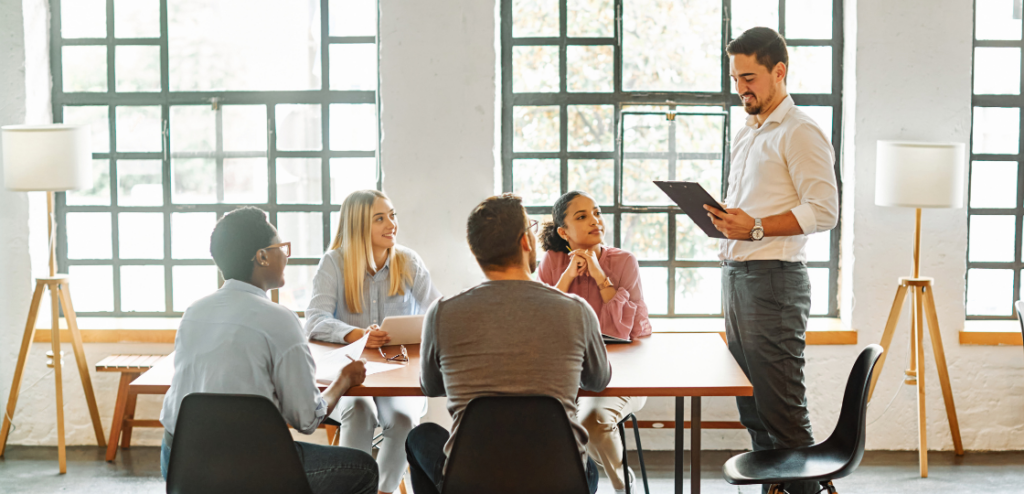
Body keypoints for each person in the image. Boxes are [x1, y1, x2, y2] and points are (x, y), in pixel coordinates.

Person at [702, 27, 839, 494]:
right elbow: (751, 210)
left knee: (780, 411)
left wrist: (755, 227)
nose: (741, 88)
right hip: (738, 279)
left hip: (774, 281)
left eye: (749, 77)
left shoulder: (800, 132)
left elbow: (824, 211)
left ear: (779, 72)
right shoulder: (748, 133)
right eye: (735, 78)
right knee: (753, 409)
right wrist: (729, 222)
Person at [159, 206, 377, 494]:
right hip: (253, 469)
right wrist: (344, 379)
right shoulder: (280, 319)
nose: (286, 255)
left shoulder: (194, 312)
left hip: (181, 464)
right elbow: (307, 418)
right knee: (363, 469)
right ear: (261, 256)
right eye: (281, 247)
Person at [404, 193, 612, 494]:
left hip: (472, 480)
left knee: (420, 436)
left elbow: (432, 387)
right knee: (584, 459)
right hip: (561, 479)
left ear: (477, 253)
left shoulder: (442, 312)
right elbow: (598, 380)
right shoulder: (576, 310)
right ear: (526, 242)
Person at [305, 189, 441, 494]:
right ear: (358, 226)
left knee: (404, 420)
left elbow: (438, 311)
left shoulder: (408, 261)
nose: (391, 223)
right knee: (360, 412)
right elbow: (313, 320)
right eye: (380, 218)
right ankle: (352, 488)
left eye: (392, 215)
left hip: (399, 376)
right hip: (352, 375)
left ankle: (382, 491)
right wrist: (358, 335)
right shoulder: (334, 263)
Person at [537, 190, 652, 494]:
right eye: (582, 216)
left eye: (597, 213)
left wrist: (599, 274)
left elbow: (629, 330)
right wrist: (566, 277)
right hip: (566, 376)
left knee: (594, 419)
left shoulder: (624, 261)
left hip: (623, 376)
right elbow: (541, 324)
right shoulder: (552, 260)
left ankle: (621, 486)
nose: (595, 221)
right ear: (563, 231)